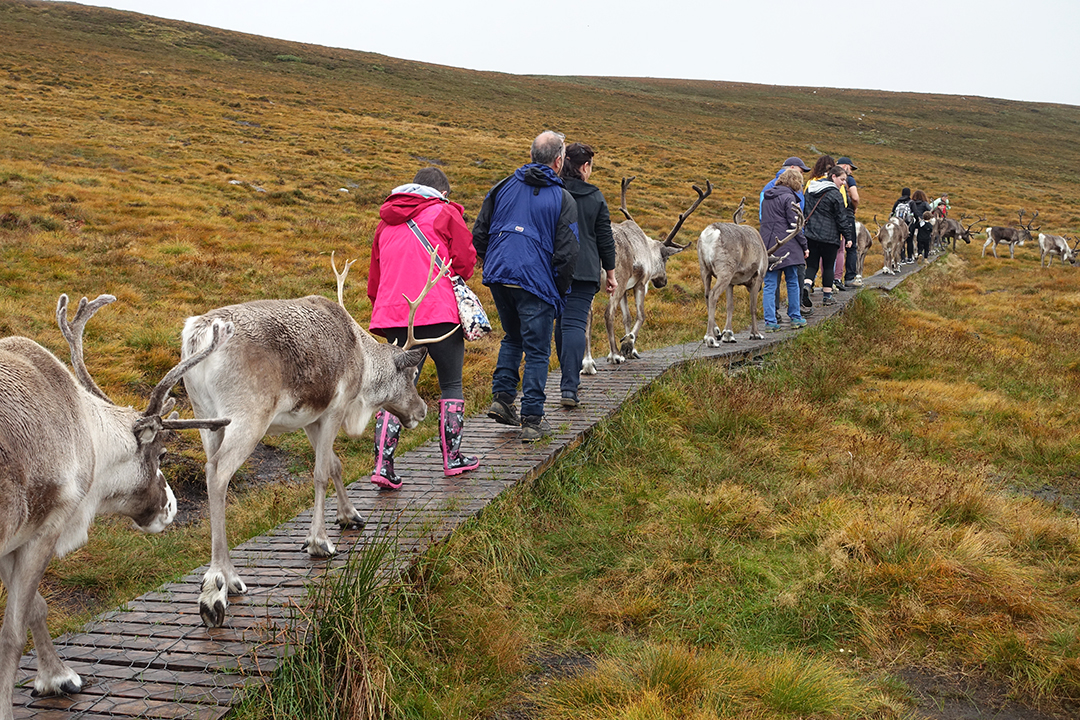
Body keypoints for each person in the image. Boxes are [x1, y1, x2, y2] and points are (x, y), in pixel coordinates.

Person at [366, 167, 480, 489]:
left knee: (394, 390)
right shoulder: (445, 212)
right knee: (451, 383)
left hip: (397, 318)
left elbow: (375, 280)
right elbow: (465, 263)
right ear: (443, 192)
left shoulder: (384, 223)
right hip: (439, 313)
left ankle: (382, 466)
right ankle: (453, 458)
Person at [473, 131, 579, 442]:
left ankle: (503, 399)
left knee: (513, 335)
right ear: (558, 162)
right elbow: (568, 251)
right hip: (536, 280)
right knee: (537, 349)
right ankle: (533, 418)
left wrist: (487, 259)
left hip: (500, 273)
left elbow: (481, 228)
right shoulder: (562, 198)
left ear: (532, 154)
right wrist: (560, 288)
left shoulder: (503, 186)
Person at [555, 142, 616, 409]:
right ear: (585, 167)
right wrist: (611, 274)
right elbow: (605, 238)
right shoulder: (595, 196)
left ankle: (568, 378)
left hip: (555, 268)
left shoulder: (553, 191)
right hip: (585, 269)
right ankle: (570, 385)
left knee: (561, 323)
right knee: (575, 325)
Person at [760, 156, 813, 316]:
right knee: (792, 281)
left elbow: (763, 218)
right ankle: (795, 316)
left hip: (768, 244)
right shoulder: (790, 197)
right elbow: (795, 225)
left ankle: (770, 319)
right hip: (789, 245)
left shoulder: (767, 193)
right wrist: (804, 246)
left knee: (769, 283)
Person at [803, 165, 856, 307]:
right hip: (830, 236)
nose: (844, 183)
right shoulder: (835, 194)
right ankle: (827, 296)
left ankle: (806, 286)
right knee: (828, 266)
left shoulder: (810, 190)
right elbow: (841, 218)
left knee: (812, 265)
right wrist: (848, 237)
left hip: (811, 235)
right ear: (833, 176)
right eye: (842, 179)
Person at [836, 156, 861, 286]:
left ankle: (832, 279)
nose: (851, 172)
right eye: (850, 168)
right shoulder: (849, 179)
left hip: (834, 215)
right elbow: (855, 197)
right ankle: (850, 278)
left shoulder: (829, 177)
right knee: (851, 247)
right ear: (845, 166)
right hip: (847, 214)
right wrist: (854, 209)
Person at [891, 188, 915, 263]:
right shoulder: (911, 202)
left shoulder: (898, 202)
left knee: (901, 241)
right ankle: (910, 257)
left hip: (899, 224)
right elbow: (916, 212)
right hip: (908, 224)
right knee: (910, 241)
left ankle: (902, 258)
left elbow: (892, 212)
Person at [909, 189, 934, 261]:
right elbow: (930, 210)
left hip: (913, 221)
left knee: (913, 239)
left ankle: (914, 253)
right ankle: (923, 253)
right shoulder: (925, 203)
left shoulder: (911, 202)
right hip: (922, 222)